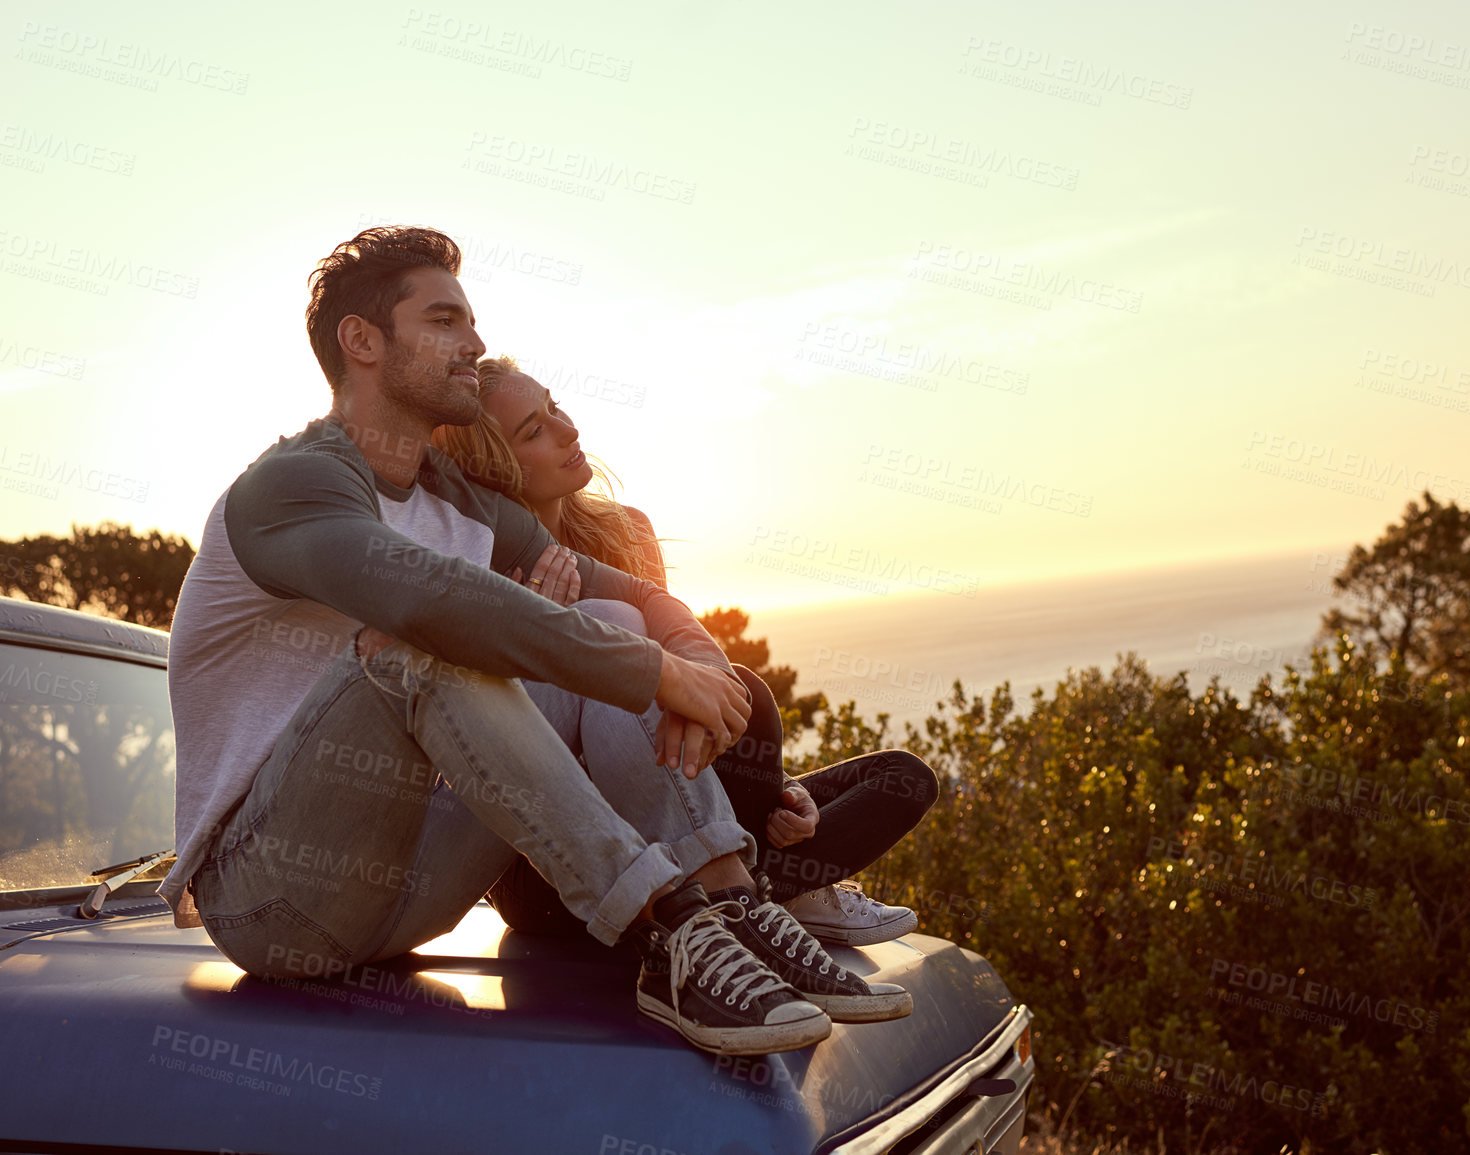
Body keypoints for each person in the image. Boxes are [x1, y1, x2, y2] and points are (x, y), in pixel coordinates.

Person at [159, 226, 908, 1058]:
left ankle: (729, 903)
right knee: (417, 644)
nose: (472, 343)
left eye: (470, 322)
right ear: (362, 341)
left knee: (612, 626)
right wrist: (652, 673)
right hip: (273, 898)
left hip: (414, 892)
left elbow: (631, 596)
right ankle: (668, 923)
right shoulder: (294, 484)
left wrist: (690, 659)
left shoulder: (455, 496)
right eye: (443, 320)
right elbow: (428, 601)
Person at [431, 357, 939, 946]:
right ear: (497, 467)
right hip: (550, 865)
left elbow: (671, 707)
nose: (568, 429)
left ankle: (758, 884)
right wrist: (531, 634)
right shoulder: (477, 558)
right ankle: (778, 894)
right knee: (736, 694)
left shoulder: (626, 532)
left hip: (670, 799)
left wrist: (776, 789)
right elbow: (489, 745)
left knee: (899, 775)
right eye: (534, 430)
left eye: (553, 406)